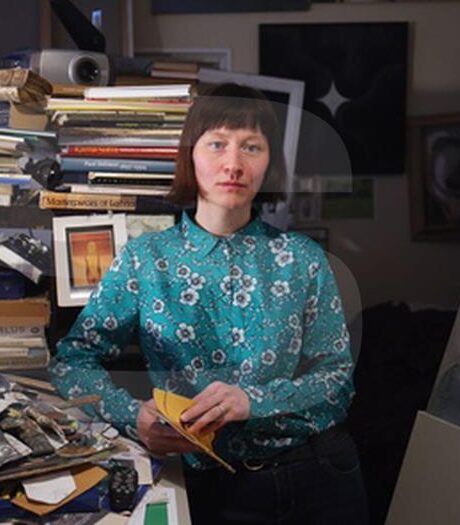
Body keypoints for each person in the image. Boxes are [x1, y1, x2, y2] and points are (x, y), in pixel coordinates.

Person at [50, 83, 368, 524]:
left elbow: (337, 382)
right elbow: (71, 362)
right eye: (217, 144)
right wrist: (131, 415)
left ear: (270, 163)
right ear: (190, 155)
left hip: (316, 475)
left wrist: (253, 401)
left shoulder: (303, 259)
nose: (233, 164)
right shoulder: (145, 260)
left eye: (251, 147)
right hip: (206, 488)